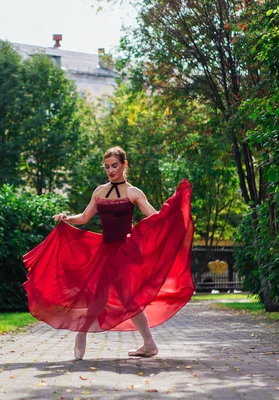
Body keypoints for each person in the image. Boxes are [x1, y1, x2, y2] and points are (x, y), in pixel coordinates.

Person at [23, 146, 194, 360]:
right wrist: (68, 218)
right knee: (104, 297)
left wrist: (172, 213)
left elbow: (154, 217)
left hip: (126, 253)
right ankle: (96, 335)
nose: (110, 171)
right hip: (105, 251)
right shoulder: (99, 191)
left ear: (124, 165)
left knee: (125, 297)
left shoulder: (134, 192)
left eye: (114, 166)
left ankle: (143, 343)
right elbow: (85, 217)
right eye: (106, 167)